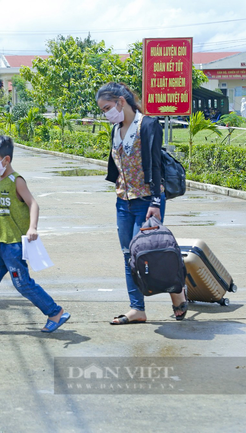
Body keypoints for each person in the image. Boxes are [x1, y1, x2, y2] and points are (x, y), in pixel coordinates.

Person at [96, 82, 187, 325]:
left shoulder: (148, 125)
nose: (106, 114)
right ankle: (137, 309)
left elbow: (155, 164)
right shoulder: (116, 129)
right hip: (123, 202)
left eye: (107, 108)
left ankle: (177, 293)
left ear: (120, 102)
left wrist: (156, 202)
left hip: (148, 201)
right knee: (129, 256)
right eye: (102, 110)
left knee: (150, 254)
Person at [0, 136, 70, 334]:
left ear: (6, 160)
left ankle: (55, 312)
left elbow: (33, 203)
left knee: (22, 283)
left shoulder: (16, 180)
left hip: (14, 245)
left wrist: (32, 227)